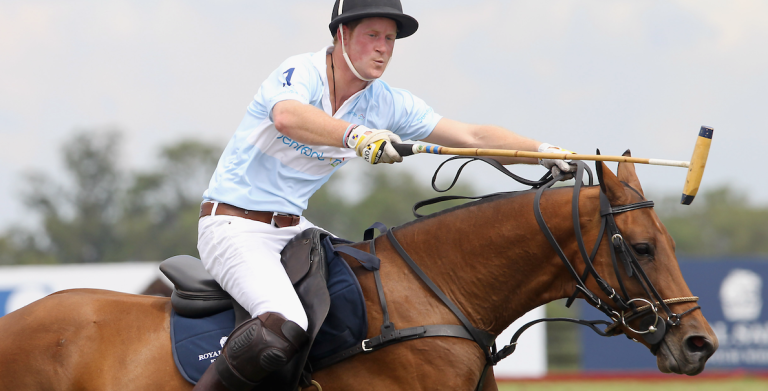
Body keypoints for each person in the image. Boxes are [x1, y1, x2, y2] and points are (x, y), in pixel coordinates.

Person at [193, 0, 575, 389]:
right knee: (286, 323)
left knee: (369, 300)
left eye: (390, 39)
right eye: (372, 35)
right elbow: (287, 117)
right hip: (232, 226)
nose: (383, 48)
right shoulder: (301, 72)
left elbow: (470, 136)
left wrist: (539, 151)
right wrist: (356, 135)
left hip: (294, 231)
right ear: (342, 35)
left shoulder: (387, 102)